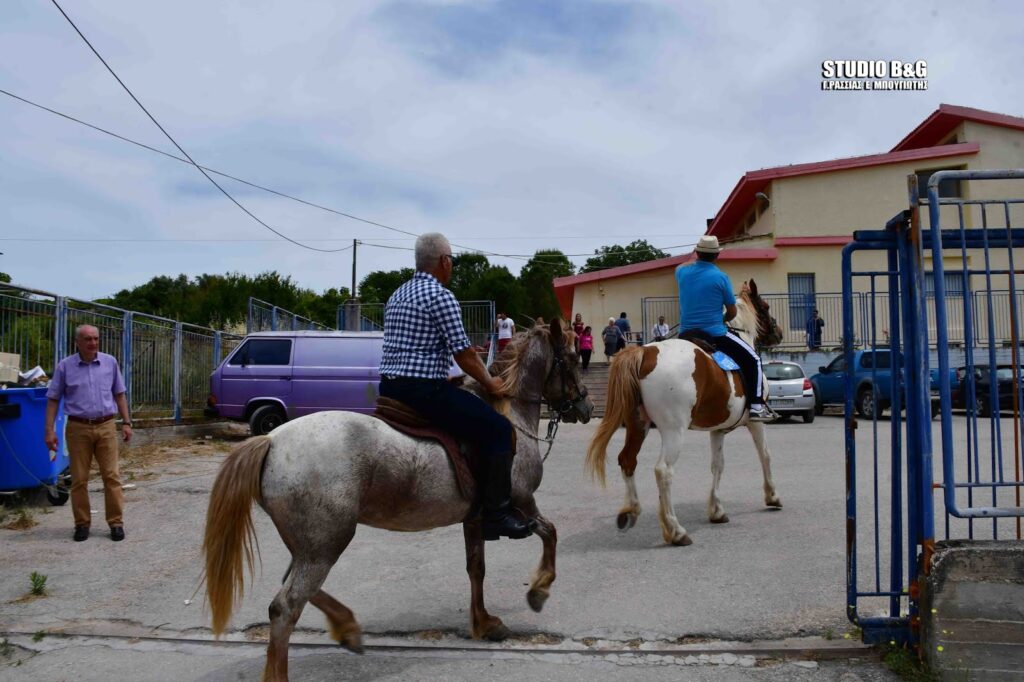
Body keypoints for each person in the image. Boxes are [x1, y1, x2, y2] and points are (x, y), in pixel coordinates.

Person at [379, 233, 533, 541]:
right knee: (498, 430)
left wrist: (443, 373)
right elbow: (463, 355)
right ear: (444, 262)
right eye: (452, 260)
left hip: (390, 388)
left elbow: (417, 348)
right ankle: (496, 515)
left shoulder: (397, 293)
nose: (452, 266)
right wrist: (491, 382)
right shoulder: (440, 296)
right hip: (423, 392)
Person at [44, 324, 132, 542]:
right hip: (77, 428)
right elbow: (53, 399)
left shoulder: (110, 362)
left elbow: (119, 395)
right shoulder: (65, 367)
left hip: (106, 426)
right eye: (87, 339)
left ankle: (116, 523)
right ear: (77, 342)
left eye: (95, 338)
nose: (93, 343)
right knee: (79, 479)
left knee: (111, 476)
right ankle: (82, 524)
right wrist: (49, 431)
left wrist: (127, 422)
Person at [675, 235, 770, 421]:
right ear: (716, 256)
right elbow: (733, 312)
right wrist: (723, 319)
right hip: (714, 333)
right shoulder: (721, 277)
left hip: (685, 334)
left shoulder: (681, 273)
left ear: (697, 253)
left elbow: (682, 265)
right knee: (754, 360)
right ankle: (757, 407)